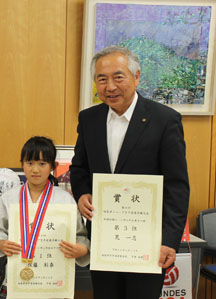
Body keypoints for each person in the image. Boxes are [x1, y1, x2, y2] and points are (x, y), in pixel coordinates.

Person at [70, 45, 189, 299]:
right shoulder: (89, 119)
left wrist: (169, 239)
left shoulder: (165, 120)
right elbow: (79, 168)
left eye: (118, 77)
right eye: (102, 79)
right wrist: (82, 194)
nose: (110, 86)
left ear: (136, 77)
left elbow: (177, 186)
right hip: (104, 239)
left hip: (147, 241)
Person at [0, 136, 89, 298]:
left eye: (42, 164)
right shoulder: (10, 198)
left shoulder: (65, 199)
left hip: (54, 278)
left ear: (53, 166)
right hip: (18, 276)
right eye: (30, 163)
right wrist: (0, 243)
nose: (35, 170)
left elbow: (80, 235)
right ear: (22, 164)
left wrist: (81, 249)